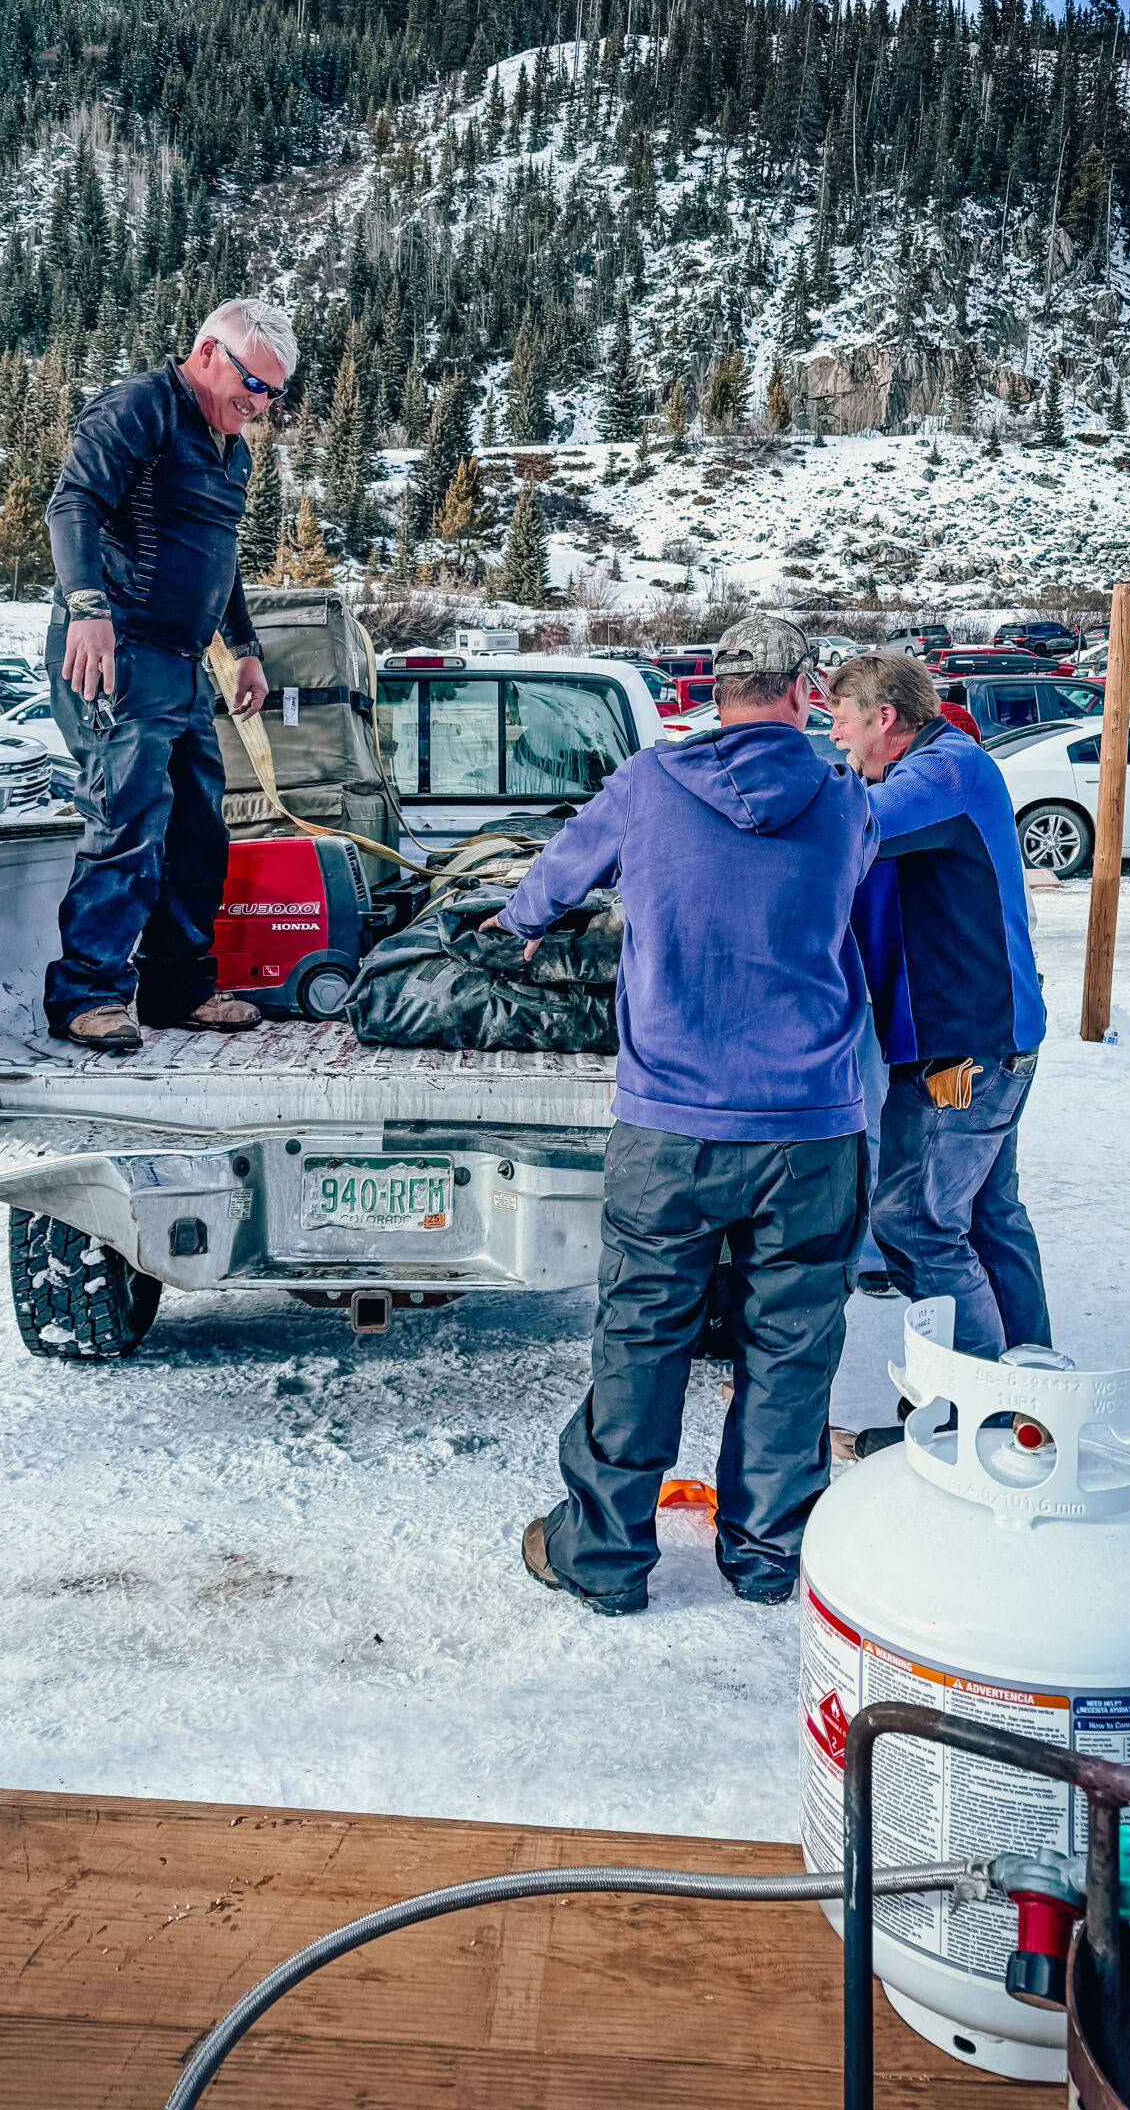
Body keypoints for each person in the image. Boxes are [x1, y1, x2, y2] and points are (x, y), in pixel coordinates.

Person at [490, 616, 880, 1616]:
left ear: (713, 690)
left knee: (642, 1336)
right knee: (792, 1345)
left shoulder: (649, 784)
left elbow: (553, 881)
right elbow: (852, 887)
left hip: (672, 1124)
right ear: (802, 691)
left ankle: (605, 1557)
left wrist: (519, 924)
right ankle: (767, 1554)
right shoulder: (843, 796)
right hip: (810, 1128)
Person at [41, 297, 297, 1053]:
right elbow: (73, 504)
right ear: (209, 352)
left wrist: (243, 645)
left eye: (274, 394)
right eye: (253, 384)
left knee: (197, 830)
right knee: (129, 818)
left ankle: (177, 988)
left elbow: (220, 554)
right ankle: (87, 994)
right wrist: (88, 609)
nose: (260, 405)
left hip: (183, 663)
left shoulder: (231, 449)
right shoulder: (140, 407)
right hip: (117, 651)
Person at [825, 653, 1049, 1413]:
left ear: (885, 717)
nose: (835, 737)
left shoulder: (945, 771)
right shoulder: (924, 770)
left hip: (963, 1050)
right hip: (986, 1038)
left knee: (917, 1222)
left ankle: (972, 1412)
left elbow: (849, 827)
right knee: (988, 1218)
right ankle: (1032, 1396)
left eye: (842, 721)